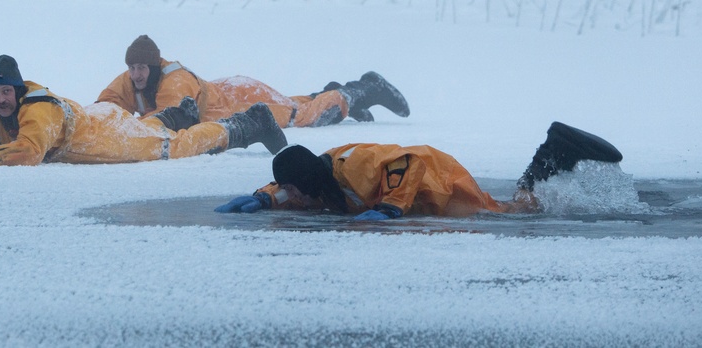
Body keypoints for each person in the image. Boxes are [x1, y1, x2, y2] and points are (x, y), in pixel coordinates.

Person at [0, 54, 287, 167]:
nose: (0, 99)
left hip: (105, 136)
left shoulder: (38, 111)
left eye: (5, 92)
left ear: (17, 89)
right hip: (96, 115)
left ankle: (247, 124)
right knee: (149, 128)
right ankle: (174, 115)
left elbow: (30, 151)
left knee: (172, 147)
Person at [214, 122, 624, 220]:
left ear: (303, 183)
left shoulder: (351, 168)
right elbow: (291, 183)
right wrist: (263, 196)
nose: (292, 196)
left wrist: (392, 205)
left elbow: (408, 162)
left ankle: (555, 151)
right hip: (421, 180)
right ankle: (554, 155)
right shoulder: (315, 176)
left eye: (288, 190)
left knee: (509, 211)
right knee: (510, 207)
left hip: (438, 179)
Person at [96, 34, 410, 129]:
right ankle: (329, 92)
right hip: (226, 91)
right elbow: (105, 106)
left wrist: (124, 128)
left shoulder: (174, 83)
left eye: (141, 68)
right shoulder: (131, 81)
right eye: (132, 67)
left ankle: (363, 88)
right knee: (290, 103)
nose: (136, 74)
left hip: (241, 100)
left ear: (153, 66)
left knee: (305, 117)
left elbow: (168, 119)